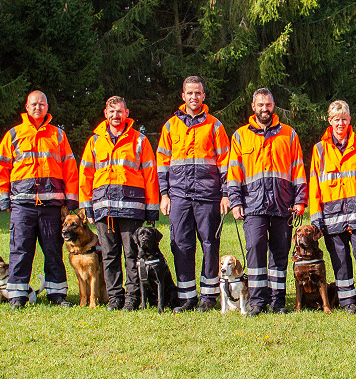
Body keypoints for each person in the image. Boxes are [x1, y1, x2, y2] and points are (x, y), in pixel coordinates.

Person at [0, 90, 78, 308]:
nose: (38, 107)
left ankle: (57, 295)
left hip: (51, 205)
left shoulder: (58, 135)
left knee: (53, 250)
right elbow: (0, 166)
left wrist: (71, 200)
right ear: (27, 107)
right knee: (20, 250)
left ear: (47, 107)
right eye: (34, 104)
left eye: (42, 104)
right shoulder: (14, 134)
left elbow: (69, 167)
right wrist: (3, 199)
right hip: (22, 205)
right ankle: (17, 296)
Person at [225, 88, 307, 316]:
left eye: (268, 105)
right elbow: (234, 173)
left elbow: (298, 169)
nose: (264, 109)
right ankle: (258, 302)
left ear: (274, 106)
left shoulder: (288, 134)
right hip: (253, 205)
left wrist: (300, 199)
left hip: (283, 204)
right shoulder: (240, 135)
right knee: (255, 251)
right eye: (260, 105)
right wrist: (235, 201)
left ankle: (278, 301)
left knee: (280, 253)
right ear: (253, 106)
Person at [155, 76, 231, 313]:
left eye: (198, 93)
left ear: (204, 96)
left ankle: (208, 296)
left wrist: (226, 194)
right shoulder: (170, 126)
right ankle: (187, 298)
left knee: (210, 245)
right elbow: (162, 164)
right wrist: (164, 194)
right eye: (190, 93)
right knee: (181, 245)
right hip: (179, 196)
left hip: (208, 196)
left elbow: (226, 163)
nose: (194, 97)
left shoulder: (215, 125)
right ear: (183, 96)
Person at [78, 96, 160, 311]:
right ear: (106, 113)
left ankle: (133, 297)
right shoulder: (95, 141)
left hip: (132, 209)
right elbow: (85, 175)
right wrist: (86, 207)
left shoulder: (139, 140)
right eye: (112, 112)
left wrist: (152, 210)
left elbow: (150, 175)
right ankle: (115, 298)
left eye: (120, 111)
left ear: (127, 113)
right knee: (109, 255)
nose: (116, 116)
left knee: (132, 254)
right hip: (103, 208)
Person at [307, 100, 356, 316]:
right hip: (332, 217)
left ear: (349, 120)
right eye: (336, 119)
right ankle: (347, 301)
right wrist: (316, 219)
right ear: (329, 120)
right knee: (339, 260)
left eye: (344, 119)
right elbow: (314, 185)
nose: (340, 123)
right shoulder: (320, 150)